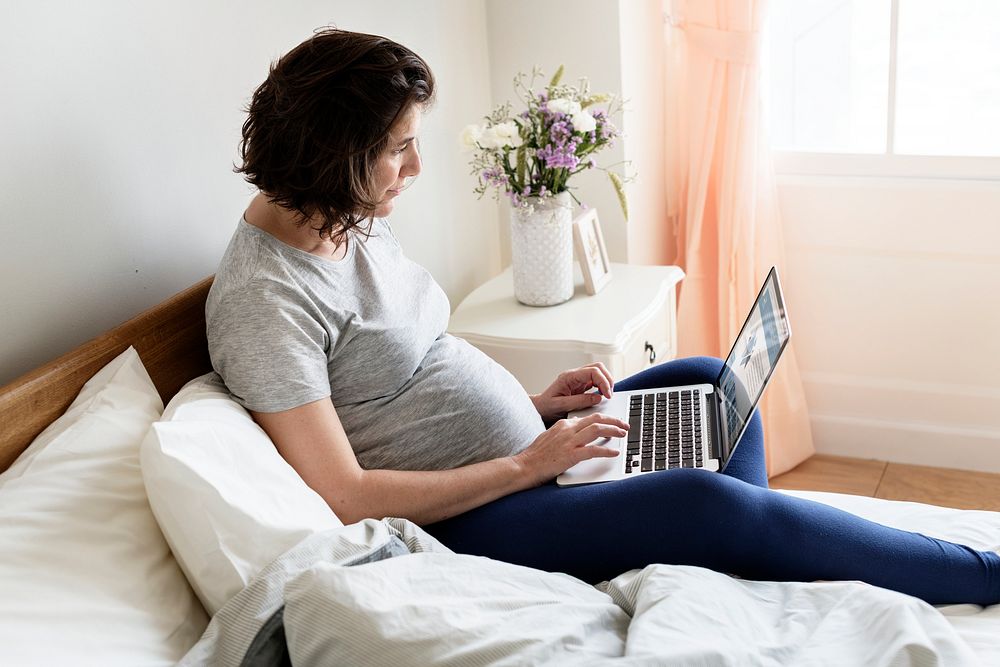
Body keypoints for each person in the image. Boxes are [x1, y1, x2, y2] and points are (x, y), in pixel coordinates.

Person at [206, 27, 1000, 607]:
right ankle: (978, 572)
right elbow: (346, 495)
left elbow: (414, 375)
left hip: (526, 457)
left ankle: (736, 565)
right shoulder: (264, 301)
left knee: (709, 380)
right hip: (479, 515)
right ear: (332, 153)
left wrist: (538, 406)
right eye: (396, 149)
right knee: (705, 499)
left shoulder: (343, 216)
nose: (415, 167)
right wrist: (528, 464)